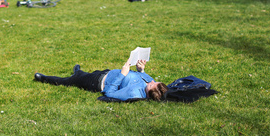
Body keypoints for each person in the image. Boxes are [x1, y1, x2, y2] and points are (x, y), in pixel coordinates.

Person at [34, 58, 169, 101]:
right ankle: (78, 72)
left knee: (68, 81)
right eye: (154, 81)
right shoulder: (149, 82)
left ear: (148, 93)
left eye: (151, 84)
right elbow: (144, 77)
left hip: (97, 82)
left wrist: (122, 74)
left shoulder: (133, 93)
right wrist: (141, 70)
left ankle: (43, 78)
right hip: (106, 73)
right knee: (81, 75)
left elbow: (109, 93)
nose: (150, 81)